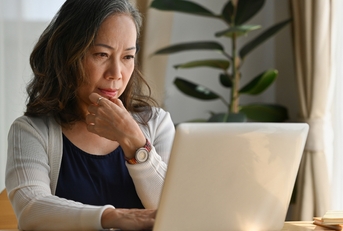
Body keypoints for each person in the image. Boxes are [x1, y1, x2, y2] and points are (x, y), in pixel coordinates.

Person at [5, 0, 175, 230]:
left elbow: (174, 210)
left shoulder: (157, 124)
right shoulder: (32, 130)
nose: (116, 73)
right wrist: (114, 217)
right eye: (102, 54)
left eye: (127, 57)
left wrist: (135, 143)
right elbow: (31, 209)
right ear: (69, 56)